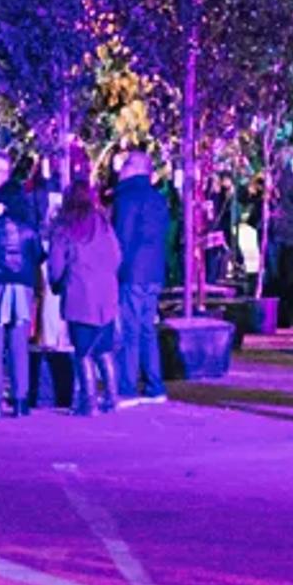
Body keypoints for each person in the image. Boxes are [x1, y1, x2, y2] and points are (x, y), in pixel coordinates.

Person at [0, 147, 49, 421]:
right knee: (19, 344)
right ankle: (20, 400)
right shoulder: (29, 228)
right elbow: (39, 255)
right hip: (22, 286)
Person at [53, 179, 123, 418]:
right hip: (106, 294)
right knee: (103, 348)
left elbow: (55, 265)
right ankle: (112, 397)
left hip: (79, 293)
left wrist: (57, 283)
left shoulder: (64, 227)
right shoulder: (102, 223)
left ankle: (89, 401)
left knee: (83, 350)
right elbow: (116, 255)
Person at [109, 150, 173, 406]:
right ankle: (154, 385)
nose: (120, 169)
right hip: (154, 271)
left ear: (133, 168)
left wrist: (114, 269)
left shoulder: (126, 198)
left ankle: (127, 387)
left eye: (124, 164)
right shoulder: (158, 199)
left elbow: (121, 238)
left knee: (130, 330)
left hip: (132, 271)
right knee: (147, 328)